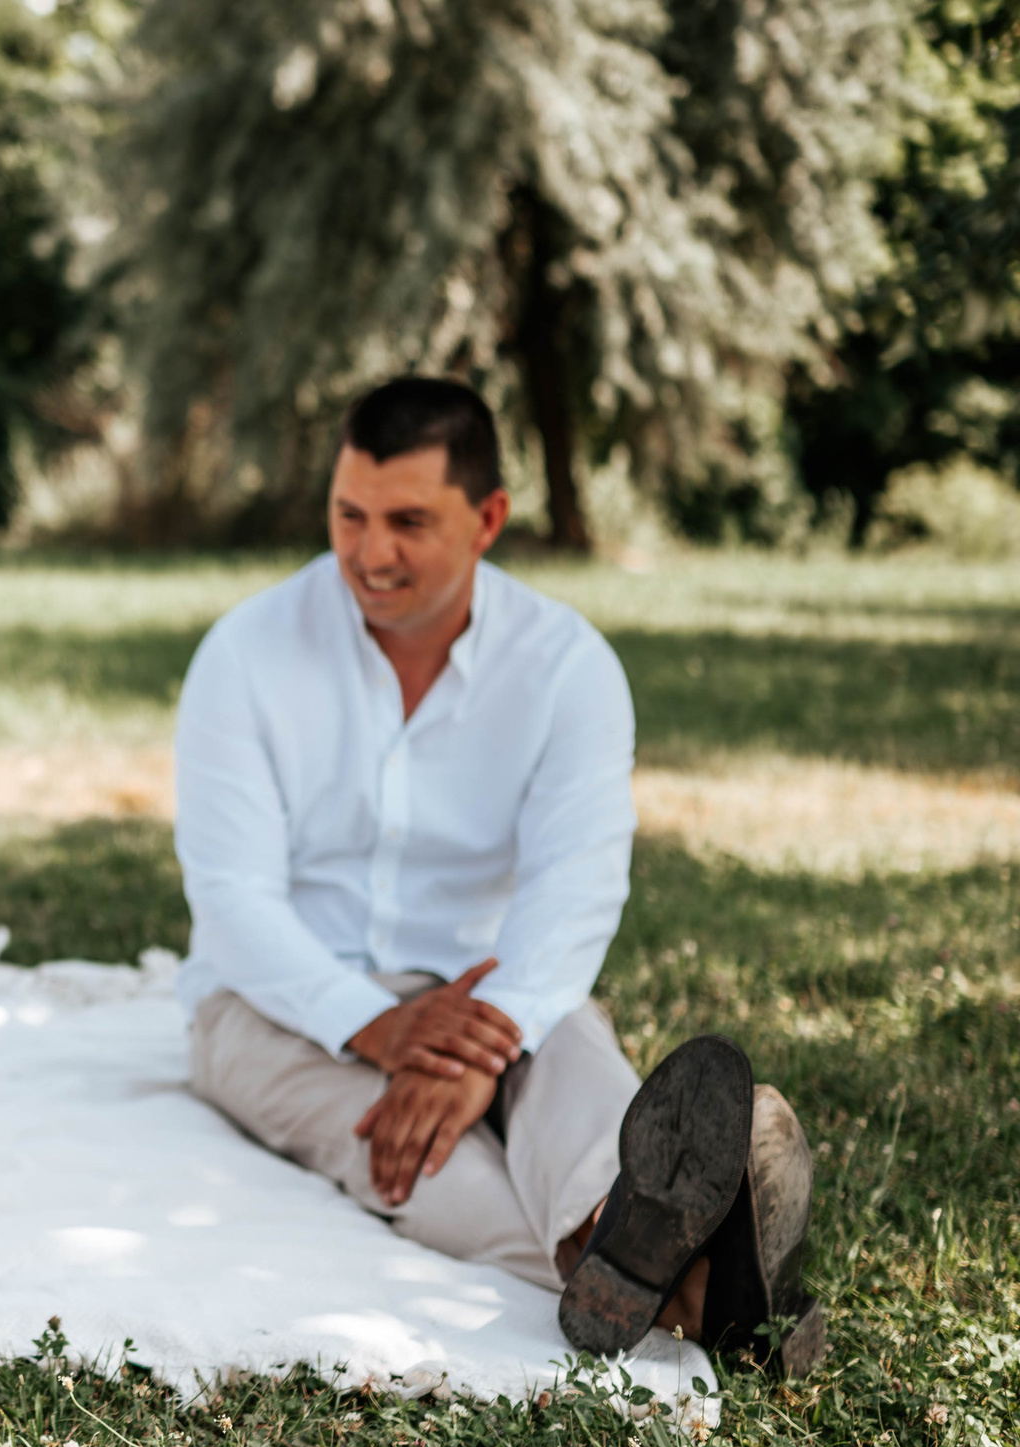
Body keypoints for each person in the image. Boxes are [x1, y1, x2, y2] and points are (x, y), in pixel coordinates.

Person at [176, 376, 823, 1373]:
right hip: (272, 1001)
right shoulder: (245, 654)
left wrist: (494, 1036)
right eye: (349, 516)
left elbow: (577, 883)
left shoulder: (566, 667)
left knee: (570, 1059)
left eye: (407, 522)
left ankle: (635, 1243)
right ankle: (700, 1291)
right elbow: (232, 901)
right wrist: (381, 1027)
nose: (369, 553)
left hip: (486, 991)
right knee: (407, 1153)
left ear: (486, 520)